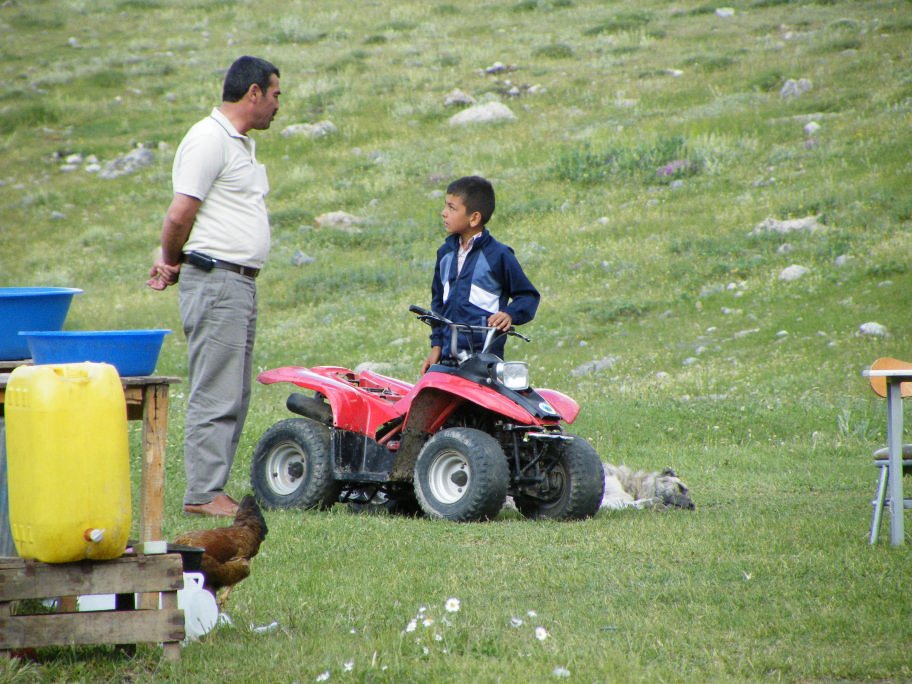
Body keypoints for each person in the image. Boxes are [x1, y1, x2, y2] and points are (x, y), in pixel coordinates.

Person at [147, 56, 281, 517]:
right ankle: (203, 493)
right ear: (253, 93)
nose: (278, 105)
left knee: (235, 390)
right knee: (215, 389)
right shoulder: (208, 139)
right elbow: (180, 213)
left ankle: (213, 487)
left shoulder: (240, 144)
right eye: (276, 95)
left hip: (238, 282)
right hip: (218, 279)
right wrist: (169, 259)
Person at [421, 176, 540, 373]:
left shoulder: (498, 255)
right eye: (445, 206)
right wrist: (436, 347)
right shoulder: (445, 254)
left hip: (485, 363)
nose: (444, 213)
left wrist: (509, 314)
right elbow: (438, 306)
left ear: (474, 218)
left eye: (452, 208)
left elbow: (528, 296)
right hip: (446, 362)